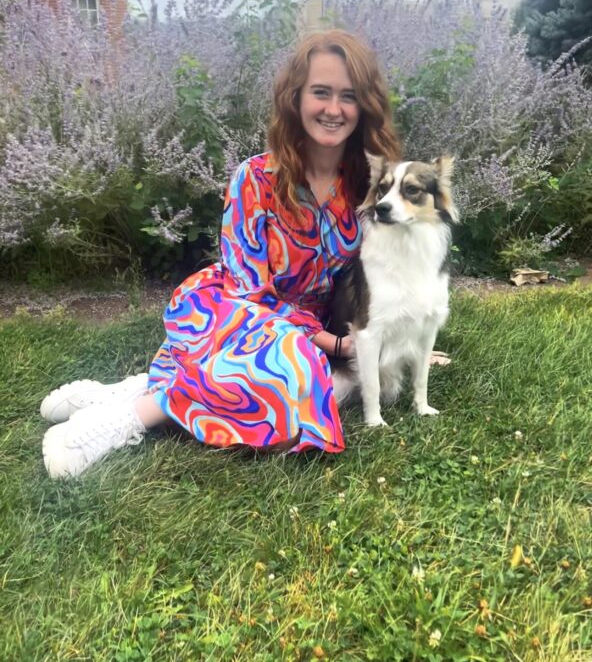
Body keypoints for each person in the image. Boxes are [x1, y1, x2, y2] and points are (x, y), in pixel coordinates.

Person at [40, 29, 403, 478]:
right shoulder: (255, 179)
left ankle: (134, 390)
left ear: (364, 105)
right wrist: (334, 344)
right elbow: (251, 292)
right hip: (236, 311)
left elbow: (384, 276)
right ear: (296, 98)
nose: (333, 109)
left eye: (348, 96)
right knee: (294, 376)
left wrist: (397, 340)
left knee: (311, 386)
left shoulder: (372, 187)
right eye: (320, 93)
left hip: (305, 332)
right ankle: (130, 417)